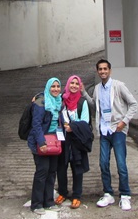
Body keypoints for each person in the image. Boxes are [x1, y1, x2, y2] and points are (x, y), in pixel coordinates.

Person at [92, 59, 138, 211]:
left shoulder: (119, 85)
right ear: (97, 71)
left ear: (109, 70)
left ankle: (125, 195)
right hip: (104, 130)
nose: (103, 71)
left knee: (121, 164)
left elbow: (133, 104)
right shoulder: (97, 88)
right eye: (100, 69)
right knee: (103, 163)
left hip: (117, 130)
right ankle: (108, 193)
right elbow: (95, 105)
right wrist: (83, 93)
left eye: (105, 69)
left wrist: (124, 122)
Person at [54, 75, 93, 209]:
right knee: (61, 168)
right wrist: (37, 97)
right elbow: (49, 93)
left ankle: (76, 195)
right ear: (68, 84)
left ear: (80, 86)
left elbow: (85, 122)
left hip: (77, 140)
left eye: (77, 84)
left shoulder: (83, 102)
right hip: (64, 140)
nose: (74, 86)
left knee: (77, 168)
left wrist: (72, 127)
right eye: (72, 83)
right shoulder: (62, 100)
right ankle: (62, 192)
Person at [27, 77, 63, 215]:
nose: (55, 89)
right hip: (41, 141)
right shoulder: (41, 101)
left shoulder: (59, 100)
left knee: (52, 171)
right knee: (42, 171)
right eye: (52, 86)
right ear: (48, 87)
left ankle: (48, 201)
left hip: (54, 142)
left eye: (58, 86)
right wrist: (41, 142)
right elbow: (36, 124)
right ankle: (36, 204)